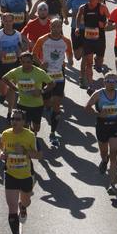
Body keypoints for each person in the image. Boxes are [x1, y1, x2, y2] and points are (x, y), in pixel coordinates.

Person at [0, 109, 41, 234]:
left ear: (24, 122)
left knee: (26, 202)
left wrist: (25, 152)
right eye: (13, 119)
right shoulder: (6, 134)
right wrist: (1, 153)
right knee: (11, 208)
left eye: (17, 119)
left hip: (26, 176)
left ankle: (23, 206)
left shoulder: (30, 136)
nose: (14, 121)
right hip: (10, 174)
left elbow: (39, 155)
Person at [33, 18, 73, 147]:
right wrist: (40, 65)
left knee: (56, 103)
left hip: (59, 76)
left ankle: (53, 133)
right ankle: (47, 106)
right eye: (54, 26)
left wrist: (70, 60)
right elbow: (33, 54)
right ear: (50, 26)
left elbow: (70, 54)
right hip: (45, 76)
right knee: (45, 102)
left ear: (61, 27)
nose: (56, 28)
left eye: (58, 26)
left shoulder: (66, 41)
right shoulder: (42, 39)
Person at [86, 74, 117, 194]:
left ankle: (111, 184)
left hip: (115, 126)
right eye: (109, 81)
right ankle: (104, 159)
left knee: (114, 154)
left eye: (114, 81)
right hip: (102, 126)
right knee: (104, 152)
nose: (111, 83)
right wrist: (98, 115)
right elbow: (87, 107)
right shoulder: (98, 94)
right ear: (104, 82)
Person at [3, 51, 53, 134]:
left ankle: (33, 132)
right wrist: (14, 88)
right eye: (23, 62)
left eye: (28, 62)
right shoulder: (17, 71)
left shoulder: (40, 72)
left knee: (36, 128)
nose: (26, 64)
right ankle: (28, 139)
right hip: (22, 104)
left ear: (32, 62)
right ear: (20, 62)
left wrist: (42, 91)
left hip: (37, 105)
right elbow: (5, 78)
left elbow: (51, 83)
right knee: (24, 127)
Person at [75, 0, 110, 90]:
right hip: (88, 39)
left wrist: (104, 24)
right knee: (88, 63)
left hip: (100, 39)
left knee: (99, 61)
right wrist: (77, 27)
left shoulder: (102, 8)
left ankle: (98, 61)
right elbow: (78, 16)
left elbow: (110, 18)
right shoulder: (83, 8)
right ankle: (91, 84)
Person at [0, 13, 25, 115]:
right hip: (2, 64)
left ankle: (10, 112)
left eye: (10, 21)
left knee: (12, 88)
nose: (8, 23)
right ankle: (2, 95)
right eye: (6, 21)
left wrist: (20, 52)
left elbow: (20, 46)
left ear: (13, 21)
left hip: (14, 64)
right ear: (2, 21)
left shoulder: (17, 34)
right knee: (3, 88)